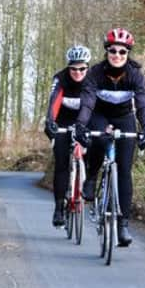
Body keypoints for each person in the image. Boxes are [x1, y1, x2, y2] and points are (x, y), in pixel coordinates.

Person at [73, 28, 145, 246]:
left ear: (128, 54)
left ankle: (123, 226)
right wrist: (81, 125)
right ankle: (91, 177)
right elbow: (88, 102)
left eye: (122, 52)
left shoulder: (135, 75)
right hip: (99, 115)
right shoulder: (96, 73)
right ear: (106, 51)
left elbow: (143, 103)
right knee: (99, 139)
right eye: (113, 51)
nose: (117, 55)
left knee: (125, 170)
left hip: (124, 117)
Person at [44, 45, 91, 227]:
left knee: (93, 149)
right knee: (62, 163)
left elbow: (93, 105)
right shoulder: (60, 78)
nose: (78, 72)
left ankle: (87, 186)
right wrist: (50, 121)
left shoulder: (92, 80)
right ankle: (58, 208)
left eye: (82, 68)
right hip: (63, 122)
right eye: (73, 68)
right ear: (68, 67)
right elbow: (54, 100)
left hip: (85, 120)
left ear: (87, 67)